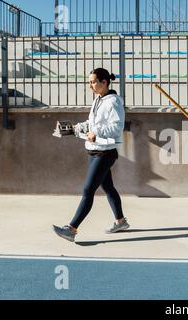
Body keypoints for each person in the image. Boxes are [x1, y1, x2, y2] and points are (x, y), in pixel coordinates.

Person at [53, 68, 129, 242]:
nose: (90, 85)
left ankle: (71, 229)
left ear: (104, 82)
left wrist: (97, 131)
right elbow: (93, 122)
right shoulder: (98, 100)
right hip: (93, 150)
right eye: (89, 82)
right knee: (108, 187)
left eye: (93, 82)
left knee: (88, 189)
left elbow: (117, 127)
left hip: (105, 153)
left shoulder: (114, 102)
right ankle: (121, 221)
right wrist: (78, 127)